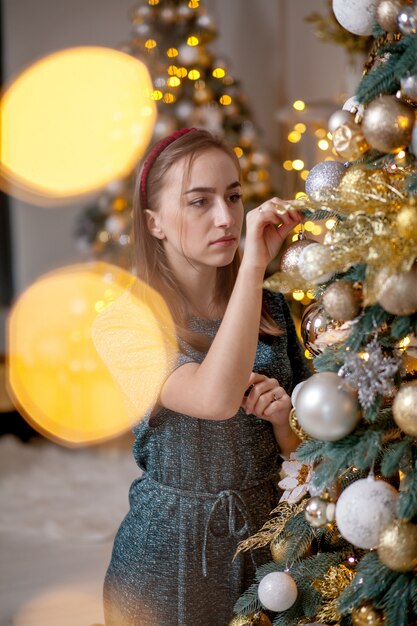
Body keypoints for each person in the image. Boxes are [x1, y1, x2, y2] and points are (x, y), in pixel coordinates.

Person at [101, 128, 311, 625]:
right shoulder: (126, 323)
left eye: (234, 197)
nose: (227, 219)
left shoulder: (273, 309)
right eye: (199, 201)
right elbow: (213, 398)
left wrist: (284, 421)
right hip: (167, 559)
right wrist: (254, 267)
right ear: (155, 223)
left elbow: (312, 453)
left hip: (271, 545)